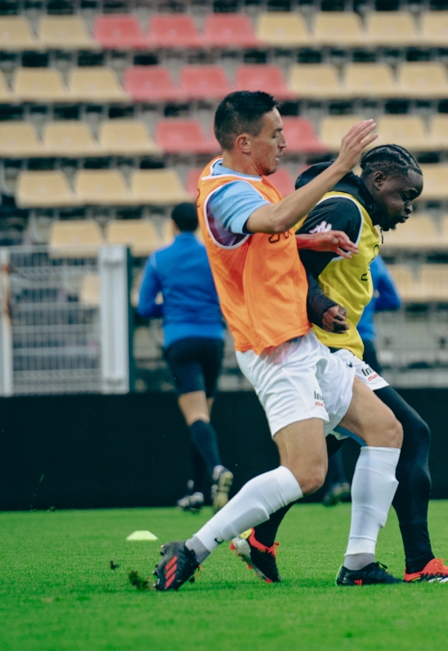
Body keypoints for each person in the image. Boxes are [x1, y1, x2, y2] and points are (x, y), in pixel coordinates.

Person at [154, 91, 405, 590]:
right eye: (276, 135)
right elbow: (268, 222)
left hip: (300, 341)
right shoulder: (227, 191)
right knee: (308, 473)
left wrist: (309, 241)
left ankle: (358, 563)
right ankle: (192, 548)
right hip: (275, 347)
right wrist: (341, 167)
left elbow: (264, 240)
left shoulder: (248, 183)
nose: (285, 144)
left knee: (385, 430)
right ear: (244, 141)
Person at [232, 144, 448, 584]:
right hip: (321, 349)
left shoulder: (360, 214)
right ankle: (416, 561)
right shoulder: (344, 209)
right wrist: (320, 304)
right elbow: (288, 266)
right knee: (412, 435)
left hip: (337, 348)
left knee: (328, 449)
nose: (407, 209)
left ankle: (260, 537)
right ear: (378, 182)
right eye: (404, 196)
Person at [137, 203, 232, 514]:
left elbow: (145, 307)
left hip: (180, 339)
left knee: (196, 417)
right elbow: (228, 296)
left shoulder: (159, 259)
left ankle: (217, 469)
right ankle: (195, 490)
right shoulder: (213, 255)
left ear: (173, 225)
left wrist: (175, 307)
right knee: (204, 416)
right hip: (213, 341)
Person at [316, 255, 401, 508]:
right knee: (384, 419)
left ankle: (336, 480)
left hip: (332, 344)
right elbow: (393, 300)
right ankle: (384, 484)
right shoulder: (374, 261)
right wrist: (366, 306)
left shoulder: (330, 258)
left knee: (331, 418)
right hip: (365, 344)